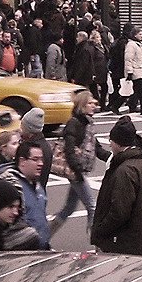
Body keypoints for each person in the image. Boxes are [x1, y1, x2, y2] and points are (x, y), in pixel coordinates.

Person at [91, 117, 142, 256]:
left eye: (111, 140)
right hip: (140, 238)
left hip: (123, 242)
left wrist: (99, 231)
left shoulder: (124, 170)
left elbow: (119, 212)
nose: (110, 143)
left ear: (118, 143)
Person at [53, 90, 107, 236]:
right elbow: (69, 151)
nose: (94, 105)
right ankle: (96, 241)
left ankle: (45, 236)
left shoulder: (87, 123)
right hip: (75, 171)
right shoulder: (74, 124)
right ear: (82, 106)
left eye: (94, 103)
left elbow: (96, 148)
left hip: (78, 170)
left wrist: (112, 158)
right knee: (92, 206)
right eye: (90, 103)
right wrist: (77, 172)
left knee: (69, 208)